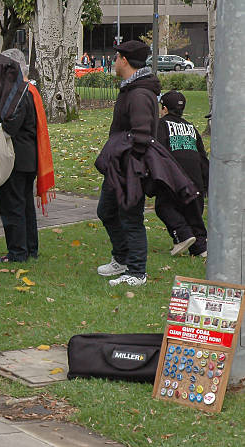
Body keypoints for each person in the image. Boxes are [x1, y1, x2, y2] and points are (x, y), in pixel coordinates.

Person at [96, 40, 161, 287]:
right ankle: (121, 259)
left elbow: (142, 135)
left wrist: (128, 164)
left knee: (130, 218)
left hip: (130, 168)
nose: (113, 63)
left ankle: (136, 272)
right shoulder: (130, 90)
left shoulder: (140, 93)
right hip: (118, 166)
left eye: (116, 58)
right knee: (106, 211)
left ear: (124, 60)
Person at [155, 90, 208, 257]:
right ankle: (200, 247)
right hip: (196, 179)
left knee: (163, 206)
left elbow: (159, 150)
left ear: (164, 109)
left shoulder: (161, 125)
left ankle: (183, 235)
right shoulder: (191, 127)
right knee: (194, 214)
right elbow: (202, 155)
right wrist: (205, 181)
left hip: (175, 178)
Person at [0, 49, 39, 262]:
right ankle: (29, 247)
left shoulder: (20, 92)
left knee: (13, 205)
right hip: (28, 156)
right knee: (24, 205)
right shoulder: (29, 90)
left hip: (17, 157)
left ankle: (18, 251)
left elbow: (11, 126)